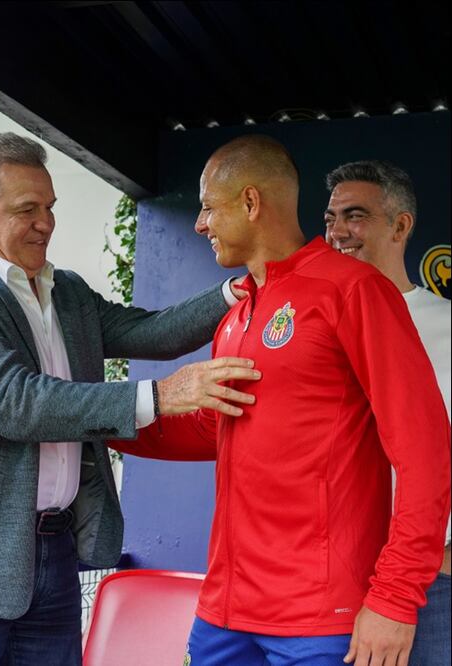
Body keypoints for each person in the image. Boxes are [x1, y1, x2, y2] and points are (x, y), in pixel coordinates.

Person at [0, 131, 262, 665]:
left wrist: (237, 291)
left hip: (55, 550)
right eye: (27, 209)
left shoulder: (64, 290)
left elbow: (152, 332)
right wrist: (162, 395)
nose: (46, 223)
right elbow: (18, 404)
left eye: (50, 207)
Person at [119, 135, 450, 666]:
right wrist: (88, 418)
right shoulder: (237, 313)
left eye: (208, 208)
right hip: (225, 613)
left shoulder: (354, 290)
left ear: (251, 203)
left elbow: (425, 452)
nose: (200, 224)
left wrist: (395, 595)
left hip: (318, 618)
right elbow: (215, 428)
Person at [323, 160, 451, 666]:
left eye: (354, 216)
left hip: (429, 587)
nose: (337, 231)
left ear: (401, 226)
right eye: (330, 218)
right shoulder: (313, 324)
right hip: (326, 581)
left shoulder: (447, 325)